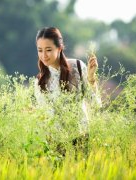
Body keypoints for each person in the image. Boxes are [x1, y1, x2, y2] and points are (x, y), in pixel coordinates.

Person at [34, 27, 102, 158]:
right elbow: (46, 118)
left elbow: (95, 103)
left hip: (81, 136)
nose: (44, 55)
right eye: (40, 50)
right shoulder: (39, 82)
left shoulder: (77, 66)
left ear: (59, 48)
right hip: (55, 142)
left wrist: (91, 78)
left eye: (48, 50)